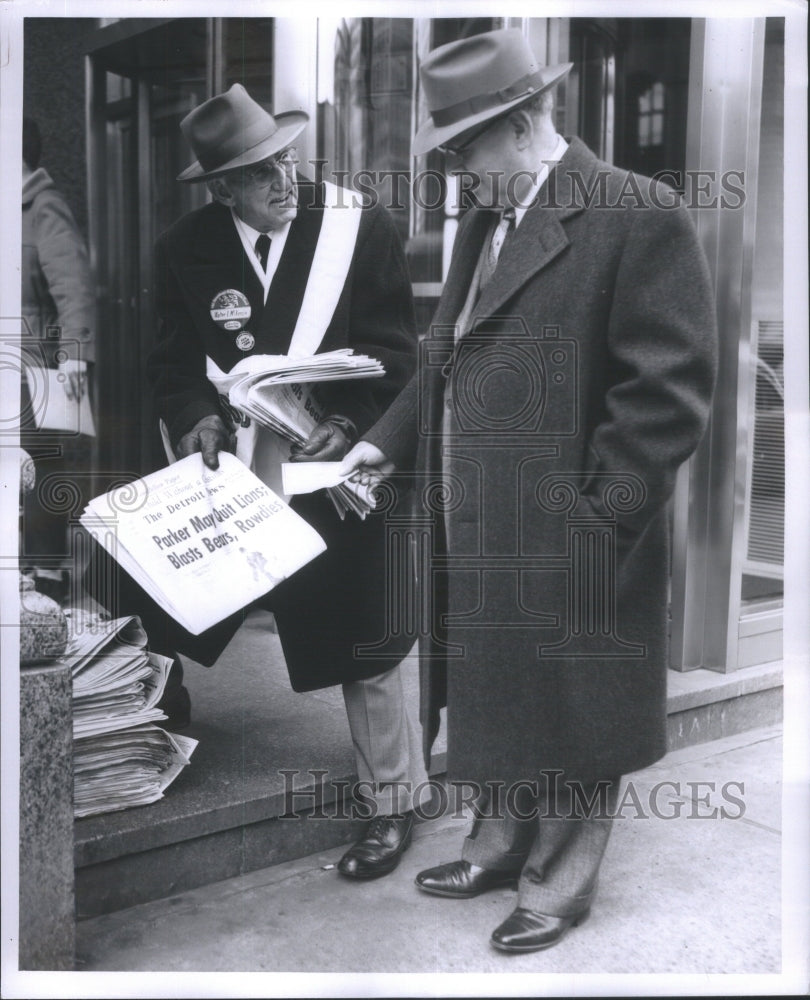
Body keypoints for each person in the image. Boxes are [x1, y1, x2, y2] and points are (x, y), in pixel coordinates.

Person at [341, 29, 718, 951]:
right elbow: (444, 358)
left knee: (581, 711)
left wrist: (598, 520)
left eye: (463, 153)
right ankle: (501, 845)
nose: (455, 178)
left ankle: (559, 881)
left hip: (575, 528)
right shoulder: (487, 219)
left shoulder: (637, 211)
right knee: (500, 690)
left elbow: (667, 397)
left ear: (519, 125)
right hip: (482, 523)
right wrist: (385, 447)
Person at [140, 83, 426, 878]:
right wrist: (196, 416)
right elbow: (168, 364)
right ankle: (149, 731)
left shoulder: (358, 228)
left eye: (286, 160)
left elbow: (398, 357)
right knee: (155, 597)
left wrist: (352, 420)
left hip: (334, 463)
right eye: (260, 172)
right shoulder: (182, 248)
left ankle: (392, 805)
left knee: (367, 637)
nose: (283, 181)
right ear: (222, 186)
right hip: (231, 467)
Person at [21, 116, 95, 596]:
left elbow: (74, 286)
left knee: (42, 463)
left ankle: (47, 571)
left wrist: (73, 354)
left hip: (35, 365)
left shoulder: (42, 206)